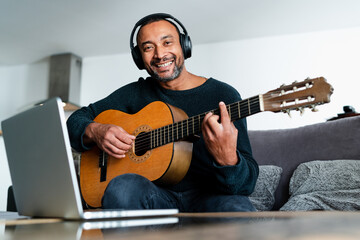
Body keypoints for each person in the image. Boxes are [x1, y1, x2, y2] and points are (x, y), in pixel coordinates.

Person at [67, 13, 259, 212]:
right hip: (155, 199)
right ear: (139, 58)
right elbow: (75, 120)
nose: (159, 54)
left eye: (167, 42)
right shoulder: (135, 93)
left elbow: (245, 186)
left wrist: (228, 160)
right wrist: (96, 131)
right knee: (122, 189)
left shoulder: (223, 95)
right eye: (148, 47)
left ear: (184, 46)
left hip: (210, 199)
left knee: (238, 207)